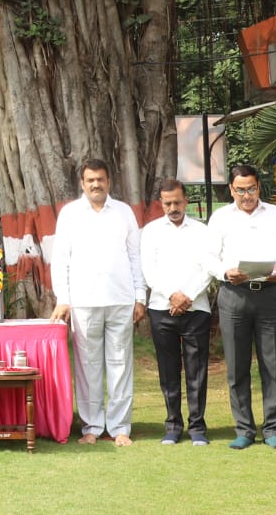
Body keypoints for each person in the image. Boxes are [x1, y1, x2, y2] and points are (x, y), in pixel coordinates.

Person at [49, 159, 146, 447]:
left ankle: (119, 428)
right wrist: (63, 299)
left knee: (120, 365)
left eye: (100, 179)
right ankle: (91, 427)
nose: (95, 184)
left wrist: (140, 296)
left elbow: (135, 257)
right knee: (87, 367)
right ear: (82, 183)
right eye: (90, 180)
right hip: (83, 301)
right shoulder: (70, 214)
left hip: (120, 299)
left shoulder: (124, 213)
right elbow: (61, 259)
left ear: (109, 182)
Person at [209, 163, 276, 450]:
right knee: (237, 365)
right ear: (232, 190)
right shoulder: (220, 218)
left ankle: (272, 427)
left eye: (251, 189)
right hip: (234, 294)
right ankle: (244, 429)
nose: (247, 195)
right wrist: (225, 271)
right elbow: (208, 257)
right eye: (240, 190)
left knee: (272, 364)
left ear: (259, 187)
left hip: (270, 294)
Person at [140, 179, 220, 446]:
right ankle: (173, 425)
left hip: (196, 308)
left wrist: (187, 296)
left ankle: (197, 426)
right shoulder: (150, 232)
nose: (173, 207)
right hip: (162, 309)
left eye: (177, 202)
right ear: (160, 203)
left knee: (197, 370)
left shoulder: (201, 230)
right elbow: (149, 271)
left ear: (186, 201)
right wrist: (172, 295)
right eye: (167, 203)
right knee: (168, 369)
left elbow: (208, 268)